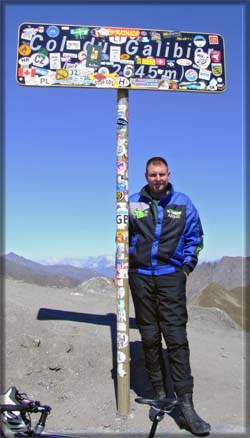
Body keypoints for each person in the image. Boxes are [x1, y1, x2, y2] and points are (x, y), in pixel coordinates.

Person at [128, 156, 211, 436]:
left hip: (170, 277)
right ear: (146, 175)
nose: (158, 178)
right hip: (140, 277)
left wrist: (185, 268)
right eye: (153, 174)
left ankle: (186, 404)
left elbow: (196, 237)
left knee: (176, 338)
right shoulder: (132, 203)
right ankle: (159, 393)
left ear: (169, 174)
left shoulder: (183, 202)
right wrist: (123, 265)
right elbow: (121, 237)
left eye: (162, 174)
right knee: (149, 337)